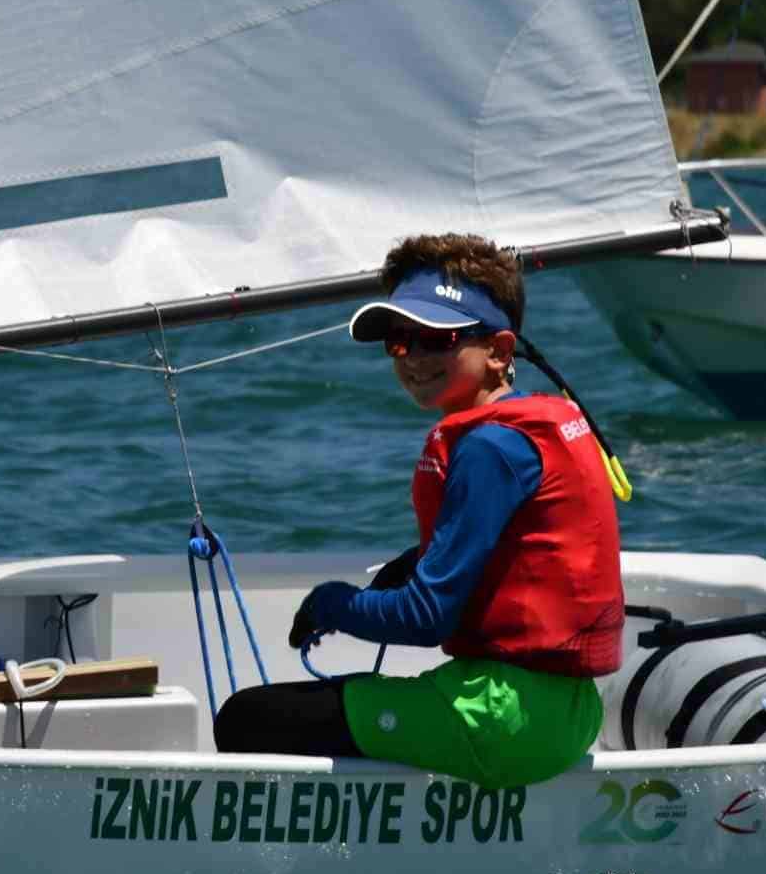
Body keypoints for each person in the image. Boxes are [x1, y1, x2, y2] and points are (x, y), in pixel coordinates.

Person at [213, 233, 624, 789]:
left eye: (438, 339)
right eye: (400, 342)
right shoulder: (530, 428)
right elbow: (516, 543)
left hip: (501, 720)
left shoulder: (488, 447)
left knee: (248, 718)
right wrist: (413, 563)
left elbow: (427, 618)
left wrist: (331, 603)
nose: (414, 358)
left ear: (500, 352)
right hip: (566, 714)